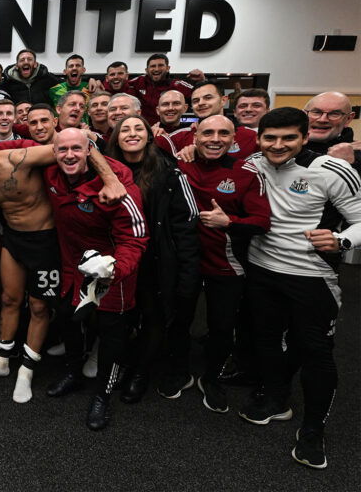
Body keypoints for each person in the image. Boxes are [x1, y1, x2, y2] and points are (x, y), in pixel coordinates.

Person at [0, 123, 127, 404]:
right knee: (9, 300)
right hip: (12, 239)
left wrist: (110, 179)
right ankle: (1, 362)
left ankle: (26, 370)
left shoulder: (20, 157)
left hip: (44, 241)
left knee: (38, 306)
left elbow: (82, 146)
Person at [240, 107, 361, 470]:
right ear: (259, 138)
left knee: (316, 353)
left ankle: (313, 429)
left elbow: (359, 220)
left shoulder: (331, 170)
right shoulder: (253, 164)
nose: (278, 145)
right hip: (261, 269)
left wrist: (340, 241)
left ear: (305, 137)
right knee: (267, 340)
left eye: (289, 137)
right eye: (269, 138)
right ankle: (278, 400)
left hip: (311, 276)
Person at [43, 128, 148, 430]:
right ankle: (74, 373)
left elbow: (135, 238)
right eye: (62, 150)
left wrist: (115, 270)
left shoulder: (118, 186)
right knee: (67, 319)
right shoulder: (51, 174)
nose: (69, 155)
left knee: (112, 335)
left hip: (113, 273)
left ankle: (102, 395)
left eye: (77, 148)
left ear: (90, 151)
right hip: (71, 267)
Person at [164, 115, 271, 407]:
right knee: (179, 321)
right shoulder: (178, 164)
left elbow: (262, 222)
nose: (215, 138)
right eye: (208, 132)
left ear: (233, 138)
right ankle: (178, 371)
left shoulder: (246, 172)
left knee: (222, 326)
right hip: (184, 262)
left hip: (225, 264)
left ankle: (211, 377)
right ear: (194, 135)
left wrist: (230, 222)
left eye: (223, 133)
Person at [105, 115, 200, 403]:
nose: (132, 134)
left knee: (153, 317)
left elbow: (186, 225)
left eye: (139, 128)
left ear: (150, 136)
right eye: (125, 130)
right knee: (119, 319)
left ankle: (140, 372)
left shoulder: (171, 174)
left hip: (154, 260)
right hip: (116, 260)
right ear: (116, 138)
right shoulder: (106, 171)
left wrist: (187, 271)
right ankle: (119, 365)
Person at [165, 80, 258, 160]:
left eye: (208, 98)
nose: (201, 103)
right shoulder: (178, 137)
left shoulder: (250, 137)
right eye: (196, 101)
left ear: (223, 100)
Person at [128, 53, 196, 124]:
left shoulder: (178, 85)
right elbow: (122, 86)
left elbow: (200, 95)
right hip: (144, 129)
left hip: (170, 129)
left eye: (160, 65)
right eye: (153, 66)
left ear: (167, 68)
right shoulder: (139, 81)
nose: (156, 69)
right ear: (146, 70)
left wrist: (203, 81)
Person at [304, 91, 359, 169]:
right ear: (304, 115)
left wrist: (351, 165)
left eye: (334, 114)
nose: (322, 120)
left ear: (348, 119)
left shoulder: (357, 153)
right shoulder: (286, 149)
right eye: (316, 112)